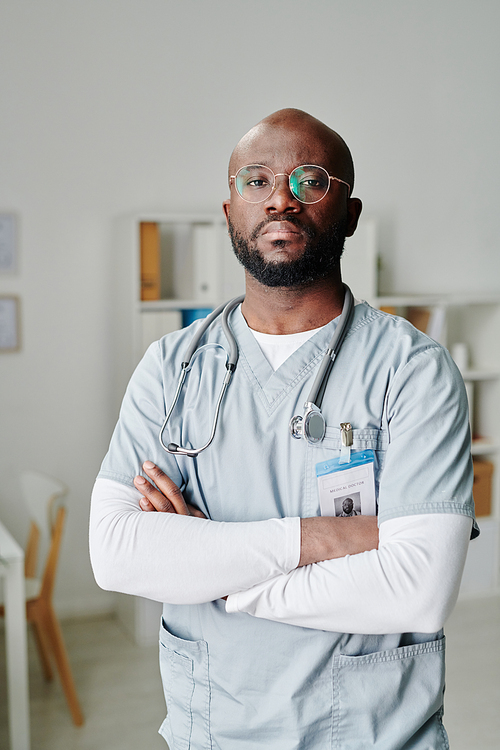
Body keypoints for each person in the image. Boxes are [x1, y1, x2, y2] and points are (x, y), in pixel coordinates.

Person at [90, 108, 477, 749]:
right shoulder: (172, 367)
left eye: (310, 181)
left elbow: (417, 591)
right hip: (212, 727)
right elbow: (116, 552)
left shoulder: (412, 369)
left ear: (351, 214)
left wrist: (216, 572)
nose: (281, 200)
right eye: (257, 180)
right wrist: (321, 538)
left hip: (371, 733)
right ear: (229, 211)